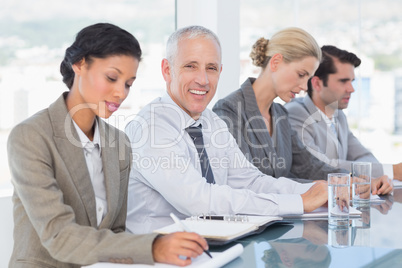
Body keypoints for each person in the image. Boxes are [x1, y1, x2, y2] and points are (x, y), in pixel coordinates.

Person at [7, 23, 208, 268]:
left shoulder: (119, 143)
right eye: (112, 78)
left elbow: (116, 231)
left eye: (128, 83)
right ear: (79, 65)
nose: (120, 93)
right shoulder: (30, 137)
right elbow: (59, 237)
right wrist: (153, 247)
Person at [125, 25, 329, 234]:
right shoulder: (151, 128)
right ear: (167, 70)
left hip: (212, 246)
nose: (203, 80)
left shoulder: (211, 122)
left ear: (220, 71)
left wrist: (316, 192)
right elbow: (200, 201)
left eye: (211, 68)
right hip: (160, 256)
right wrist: (299, 202)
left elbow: (250, 181)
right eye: (191, 66)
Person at [212, 28, 392, 196]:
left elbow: (309, 166)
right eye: (301, 74)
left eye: (309, 78)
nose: (305, 87)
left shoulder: (280, 114)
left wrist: (359, 181)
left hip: (283, 220)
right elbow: (245, 183)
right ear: (275, 62)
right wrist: (326, 189)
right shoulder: (229, 110)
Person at [285, 45, 402, 184]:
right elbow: (321, 166)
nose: (351, 89)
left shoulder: (339, 115)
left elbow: (365, 156)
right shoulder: (295, 113)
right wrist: (391, 171)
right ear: (317, 83)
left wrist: (362, 174)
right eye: (343, 81)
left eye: (352, 81)